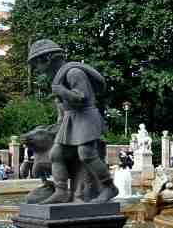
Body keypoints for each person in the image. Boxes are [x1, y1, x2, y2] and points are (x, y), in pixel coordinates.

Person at [27, 39, 118, 203]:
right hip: (72, 118)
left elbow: (82, 97)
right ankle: (61, 191)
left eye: (37, 64)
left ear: (47, 59)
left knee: (87, 154)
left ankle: (109, 187)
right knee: (56, 154)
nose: (37, 70)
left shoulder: (73, 73)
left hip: (85, 117)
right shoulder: (60, 77)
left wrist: (62, 91)